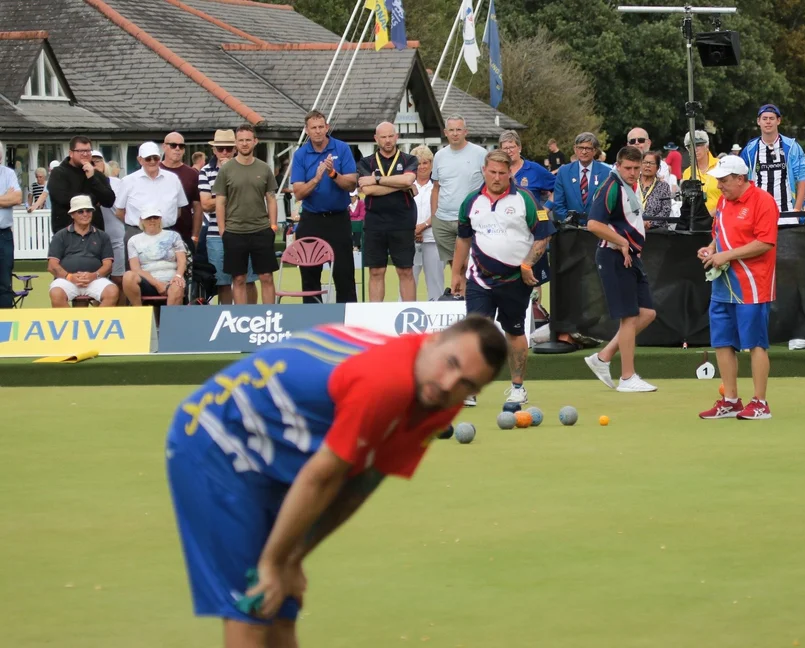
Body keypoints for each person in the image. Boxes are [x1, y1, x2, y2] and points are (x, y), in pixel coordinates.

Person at [165, 316, 506, 648]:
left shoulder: (441, 402)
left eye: (467, 384)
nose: (449, 384)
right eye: (450, 363)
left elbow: (362, 482)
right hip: (213, 440)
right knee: (253, 604)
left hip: (277, 456)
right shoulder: (387, 381)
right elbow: (322, 478)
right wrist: (273, 563)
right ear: (433, 339)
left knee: (283, 608)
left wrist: (293, 558)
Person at [451, 150, 554, 406]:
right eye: (492, 172)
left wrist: (528, 264)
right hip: (480, 279)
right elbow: (463, 239)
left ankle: (518, 387)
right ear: (484, 171)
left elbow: (544, 235)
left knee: (514, 332)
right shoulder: (470, 201)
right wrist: (456, 272)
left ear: (510, 173)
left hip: (515, 280)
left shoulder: (527, 199)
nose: (497, 177)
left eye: (502, 173)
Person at [696, 156, 778, 420]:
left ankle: (761, 403)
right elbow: (719, 234)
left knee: (755, 343)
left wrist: (725, 255)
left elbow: (765, 242)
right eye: (718, 180)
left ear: (740, 179)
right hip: (723, 282)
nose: (719, 185)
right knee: (722, 341)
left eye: (724, 180)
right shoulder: (722, 202)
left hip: (752, 283)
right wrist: (711, 248)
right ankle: (730, 400)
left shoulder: (763, 201)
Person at [584, 146, 658, 393]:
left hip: (630, 257)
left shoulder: (629, 186)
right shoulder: (611, 187)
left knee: (647, 313)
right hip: (614, 256)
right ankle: (627, 377)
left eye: (637, 168)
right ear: (617, 165)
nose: (633, 172)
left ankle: (603, 357)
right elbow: (593, 224)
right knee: (630, 316)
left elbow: (623, 219)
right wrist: (622, 241)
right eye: (628, 168)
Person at [290, 110, 359, 303]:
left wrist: (333, 174)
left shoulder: (341, 148)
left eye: (321, 127)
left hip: (338, 219)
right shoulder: (301, 155)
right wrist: (316, 178)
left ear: (327, 127)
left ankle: (346, 322)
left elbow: (352, 183)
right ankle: (313, 319)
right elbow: (298, 193)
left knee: (344, 274)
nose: (318, 131)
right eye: (314, 128)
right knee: (310, 275)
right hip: (311, 220)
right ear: (307, 130)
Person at [215, 124, 279, 305]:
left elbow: (271, 198)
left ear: (255, 141)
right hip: (234, 231)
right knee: (239, 279)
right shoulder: (226, 170)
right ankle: (241, 318)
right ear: (236, 143)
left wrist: (273, 226)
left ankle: (270, 317)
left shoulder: (264, 168)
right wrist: (223, 230)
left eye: (248, 140)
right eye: (241, 140)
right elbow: (220, 201)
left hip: (261, 230)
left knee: (266, 277)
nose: (244, 144)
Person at [357, 122, 418, 302]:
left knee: (405, 270)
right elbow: (367, 191)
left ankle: (410, 315)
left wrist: (376, 179)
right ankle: (376, 317)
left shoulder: (409, 159)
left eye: (391, 136)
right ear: (376, 139)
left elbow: (408, 179)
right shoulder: (366, 162)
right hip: (375, 222)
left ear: (396, 136)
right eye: (383, 137)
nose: (388, 140)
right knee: (376, 271)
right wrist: (401, 186)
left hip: (403, 221)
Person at [199, 130, 259, 305]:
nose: (224, 152)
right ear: (214, 150)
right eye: (220, 149)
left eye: (228, 148)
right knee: (223, 283)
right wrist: (227, 189)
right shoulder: (205, 171)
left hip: (245, 231)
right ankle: (226, 319)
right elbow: (205, 204)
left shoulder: (246, 168)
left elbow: (249, 199)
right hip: (216, 234)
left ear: (234, 149)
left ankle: (253, 317)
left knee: (248, 280)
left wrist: (220, 197)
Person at [114, 142, 188, 256]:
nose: (152, 161)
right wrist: (141, 226)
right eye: (148, 158)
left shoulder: (173, 179)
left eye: (156, 158)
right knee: (135, 273)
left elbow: (178, 210)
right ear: (140, 160)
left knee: (166, 271)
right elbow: (119, 212)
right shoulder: (128, 181)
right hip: (136, 233)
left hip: (167, 232)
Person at [431, 115, 487, 266]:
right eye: (451, 130)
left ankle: (468, 291)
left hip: (471, 219)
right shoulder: (439, 156)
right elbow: (436, 187)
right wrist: (434, 216)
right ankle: (459, 291)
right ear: (445, 132)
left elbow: (489, 185)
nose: (455, 133)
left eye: (458, 129)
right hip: (443, 221)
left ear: (465, 132)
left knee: (471, 265)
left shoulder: (480, 154)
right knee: (455, 266)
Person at [46, 195, 118, 307]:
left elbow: (108, 265)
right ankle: (72, 324)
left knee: (112, 292)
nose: (85, 214)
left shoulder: (102, 236)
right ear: (72, 214)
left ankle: (95, 323)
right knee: (56, 293)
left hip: (95, 279)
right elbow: (52, 265)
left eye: (89, 211)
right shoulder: (60, 236)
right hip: (67, 279)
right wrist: (70, 277)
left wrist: (93, 276)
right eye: (80, 211)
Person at [739, 104, 805, 212]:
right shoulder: (749, 149)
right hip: (758, 210)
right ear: (758, 121)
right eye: (764, 118)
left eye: (771, 118)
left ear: (778, 121)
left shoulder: (792, 147)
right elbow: (741, 179)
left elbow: (801, 179)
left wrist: (797, 209)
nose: (768, 122)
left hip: (787, 210)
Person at [47, 136, 116, 231]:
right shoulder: (59, 173)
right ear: (71, 153)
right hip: (67, 233)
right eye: (81, 151)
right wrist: (94, 199)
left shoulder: (96, 174)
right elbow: (63, 199)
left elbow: (109, 201)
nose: (85, 154)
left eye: (88, 151)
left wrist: (92, 179)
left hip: (94, 232)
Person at [123, 206, 187, 306]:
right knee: (128, 276)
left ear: (160, 219)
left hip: (171, 278)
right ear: (141, 220)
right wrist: (157, 284)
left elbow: (182, 260)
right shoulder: (133, 240)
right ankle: (139, 314)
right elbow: (135, 268)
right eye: (148, 218)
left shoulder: (174, 236)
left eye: (155, 217)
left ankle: (169, 321)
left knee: (177, 286)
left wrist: (178, 276)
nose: (152, 220)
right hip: (147, 280)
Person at [551, 132, 613, 223]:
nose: (584, 152)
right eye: (580, 148)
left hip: (598, 229)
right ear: (575, 149)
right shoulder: (564, 172)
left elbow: (610, 203)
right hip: (570, 230)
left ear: (595, 151)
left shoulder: (607, 172)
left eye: (588, 148)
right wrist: (570, 223)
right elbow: (558, 205)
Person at [410, 145, 446, 300]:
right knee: (408, 280)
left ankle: (437, 319)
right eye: (418, 163)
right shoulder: (406, 186)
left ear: (432, 164)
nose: (422, 167)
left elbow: (439, 211)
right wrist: (413, 230)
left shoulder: (438, 187)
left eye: (426, 162)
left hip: (433, 239)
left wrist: (423, 227)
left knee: (435, 282)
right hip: (408, 240)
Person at [90, 152, 126, 303]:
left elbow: (120, 210)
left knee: (119, 278)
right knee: (97, 282)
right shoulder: (82, 185)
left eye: (97, 161)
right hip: (93, 241)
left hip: (117, 237)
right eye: (90, 162)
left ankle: (124, 315)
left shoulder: (116, 183)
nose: (94, 165)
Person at [160, 132, 203, 245]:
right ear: (164, 147)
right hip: (157, 234)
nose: (177, 149)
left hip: (184, 235)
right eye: (173, 145)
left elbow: (198, 207)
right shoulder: (155, 171)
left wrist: (195, 236)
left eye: (181, 146)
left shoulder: (192, 174)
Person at [500, 130, 555, 205]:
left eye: (512, 147)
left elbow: (559, 187)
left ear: (519, 148)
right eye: (505, 148)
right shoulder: (497, 171)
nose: (509, 151)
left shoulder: (534, 169)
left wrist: (545, 209)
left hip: (530, 216)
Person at [681, 130, 723, 214]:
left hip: (720, 219)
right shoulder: (687, 172)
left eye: (698, 145)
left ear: (707, 146)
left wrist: (714, 213)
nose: (694, 149)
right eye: (690, 146)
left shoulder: (721, 165)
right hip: (696, 221)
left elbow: (731, 197)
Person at [627, 127, 678, 191]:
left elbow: (660, 190)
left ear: (649, 143)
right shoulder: (621, 166)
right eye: (632, 141)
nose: (636, 143)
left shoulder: (661, 165)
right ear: (628, 145)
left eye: (641, 140)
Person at [0, 140, 19, 309]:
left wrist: (9, 198)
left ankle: (4, 324)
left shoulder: (8, 174)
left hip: (3, 235)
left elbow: (17, 198)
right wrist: (4, 198)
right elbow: (9, 199)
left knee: (4, 282)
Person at [637, 151, 673, 227]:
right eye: (645, 162)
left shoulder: (663, 186)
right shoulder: (632, 183)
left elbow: (666, 210)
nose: (647, 165)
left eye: (651, 163)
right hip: (633, 228)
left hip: (655, 230)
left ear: (657, 167)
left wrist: (650, 224)